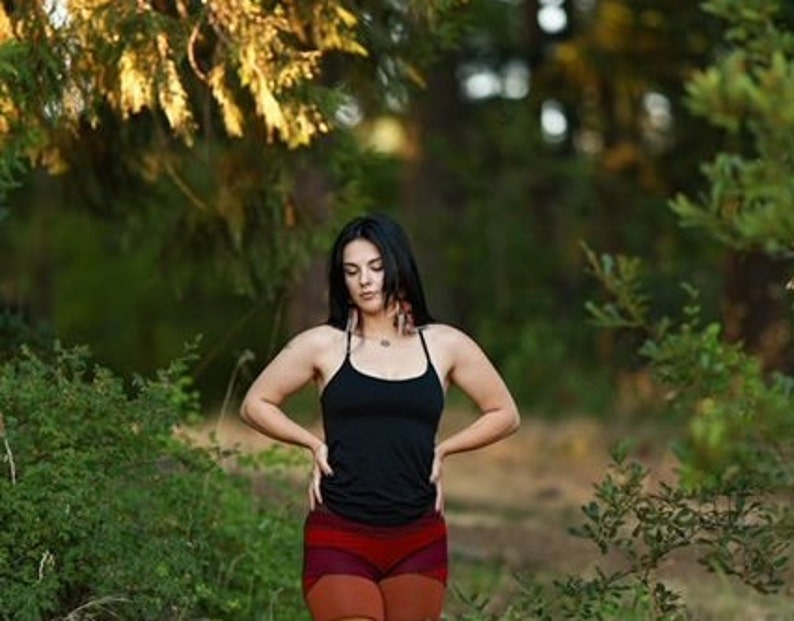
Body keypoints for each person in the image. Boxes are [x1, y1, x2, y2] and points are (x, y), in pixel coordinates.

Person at [240, 213, 520, 621]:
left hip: (419, 537)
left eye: (375, 267)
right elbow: (255, 403)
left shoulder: (443, 344)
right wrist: (313, 444)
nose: (365, 281)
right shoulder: (324, 344)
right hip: (339, 533)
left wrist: (443, 450)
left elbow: (505, 413)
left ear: (397, 266)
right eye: (352, 271)